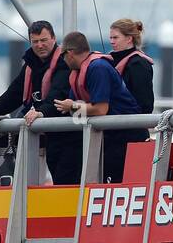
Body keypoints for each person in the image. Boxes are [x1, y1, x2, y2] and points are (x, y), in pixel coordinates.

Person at [0, 19, 80, 184]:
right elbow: (14, 93)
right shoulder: (31, 64)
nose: (40, 45)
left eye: (44, 40)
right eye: (35, 41)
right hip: (45, 130)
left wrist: (41, 112)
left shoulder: (63, 63)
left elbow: (58, 94)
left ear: (53, 39)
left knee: (65, 177)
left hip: (68, 133)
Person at [54, 31, 146, 184]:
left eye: (62, 56)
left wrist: (73, 106)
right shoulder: (78, 73)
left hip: (127, 137)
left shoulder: (98, 68)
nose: (62, 61)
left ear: (69, 53)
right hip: (109, 138)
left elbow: (101, 109)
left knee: (120, 183)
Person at [108, 18, 155, 114]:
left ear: (129, 39)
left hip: (131, 124)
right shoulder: (111, 61)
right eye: (110, 38)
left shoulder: (138, 64)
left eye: (115, 38)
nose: (111, 41)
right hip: (112, 122)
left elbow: (145, 105)